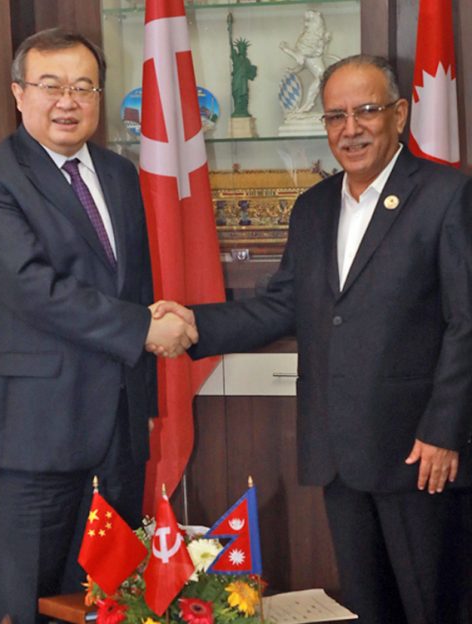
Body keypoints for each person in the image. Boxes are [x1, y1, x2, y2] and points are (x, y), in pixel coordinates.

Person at [154, 54, 472, 623]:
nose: (350, 129)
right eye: (335, 116)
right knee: (368, 604)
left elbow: (466, 322)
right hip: (338, 452)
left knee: (434, 605)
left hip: (420, 453)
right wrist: (194, 324)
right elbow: (283, 305)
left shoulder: (448, 195)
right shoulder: (314, 207)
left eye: (366, 111)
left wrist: (443, 432)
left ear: (399, 114)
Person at [0, 28, 197, 624]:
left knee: (103, 601)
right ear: (18, 94)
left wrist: (141, 400)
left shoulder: (119, 175)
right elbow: (33, 289)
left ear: (98, 95)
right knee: (23, 604)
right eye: (50, 86)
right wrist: (145, 330)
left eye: (83, 86)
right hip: (31, 437)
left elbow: (133, 287)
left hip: (114, 437)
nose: (67, 100)